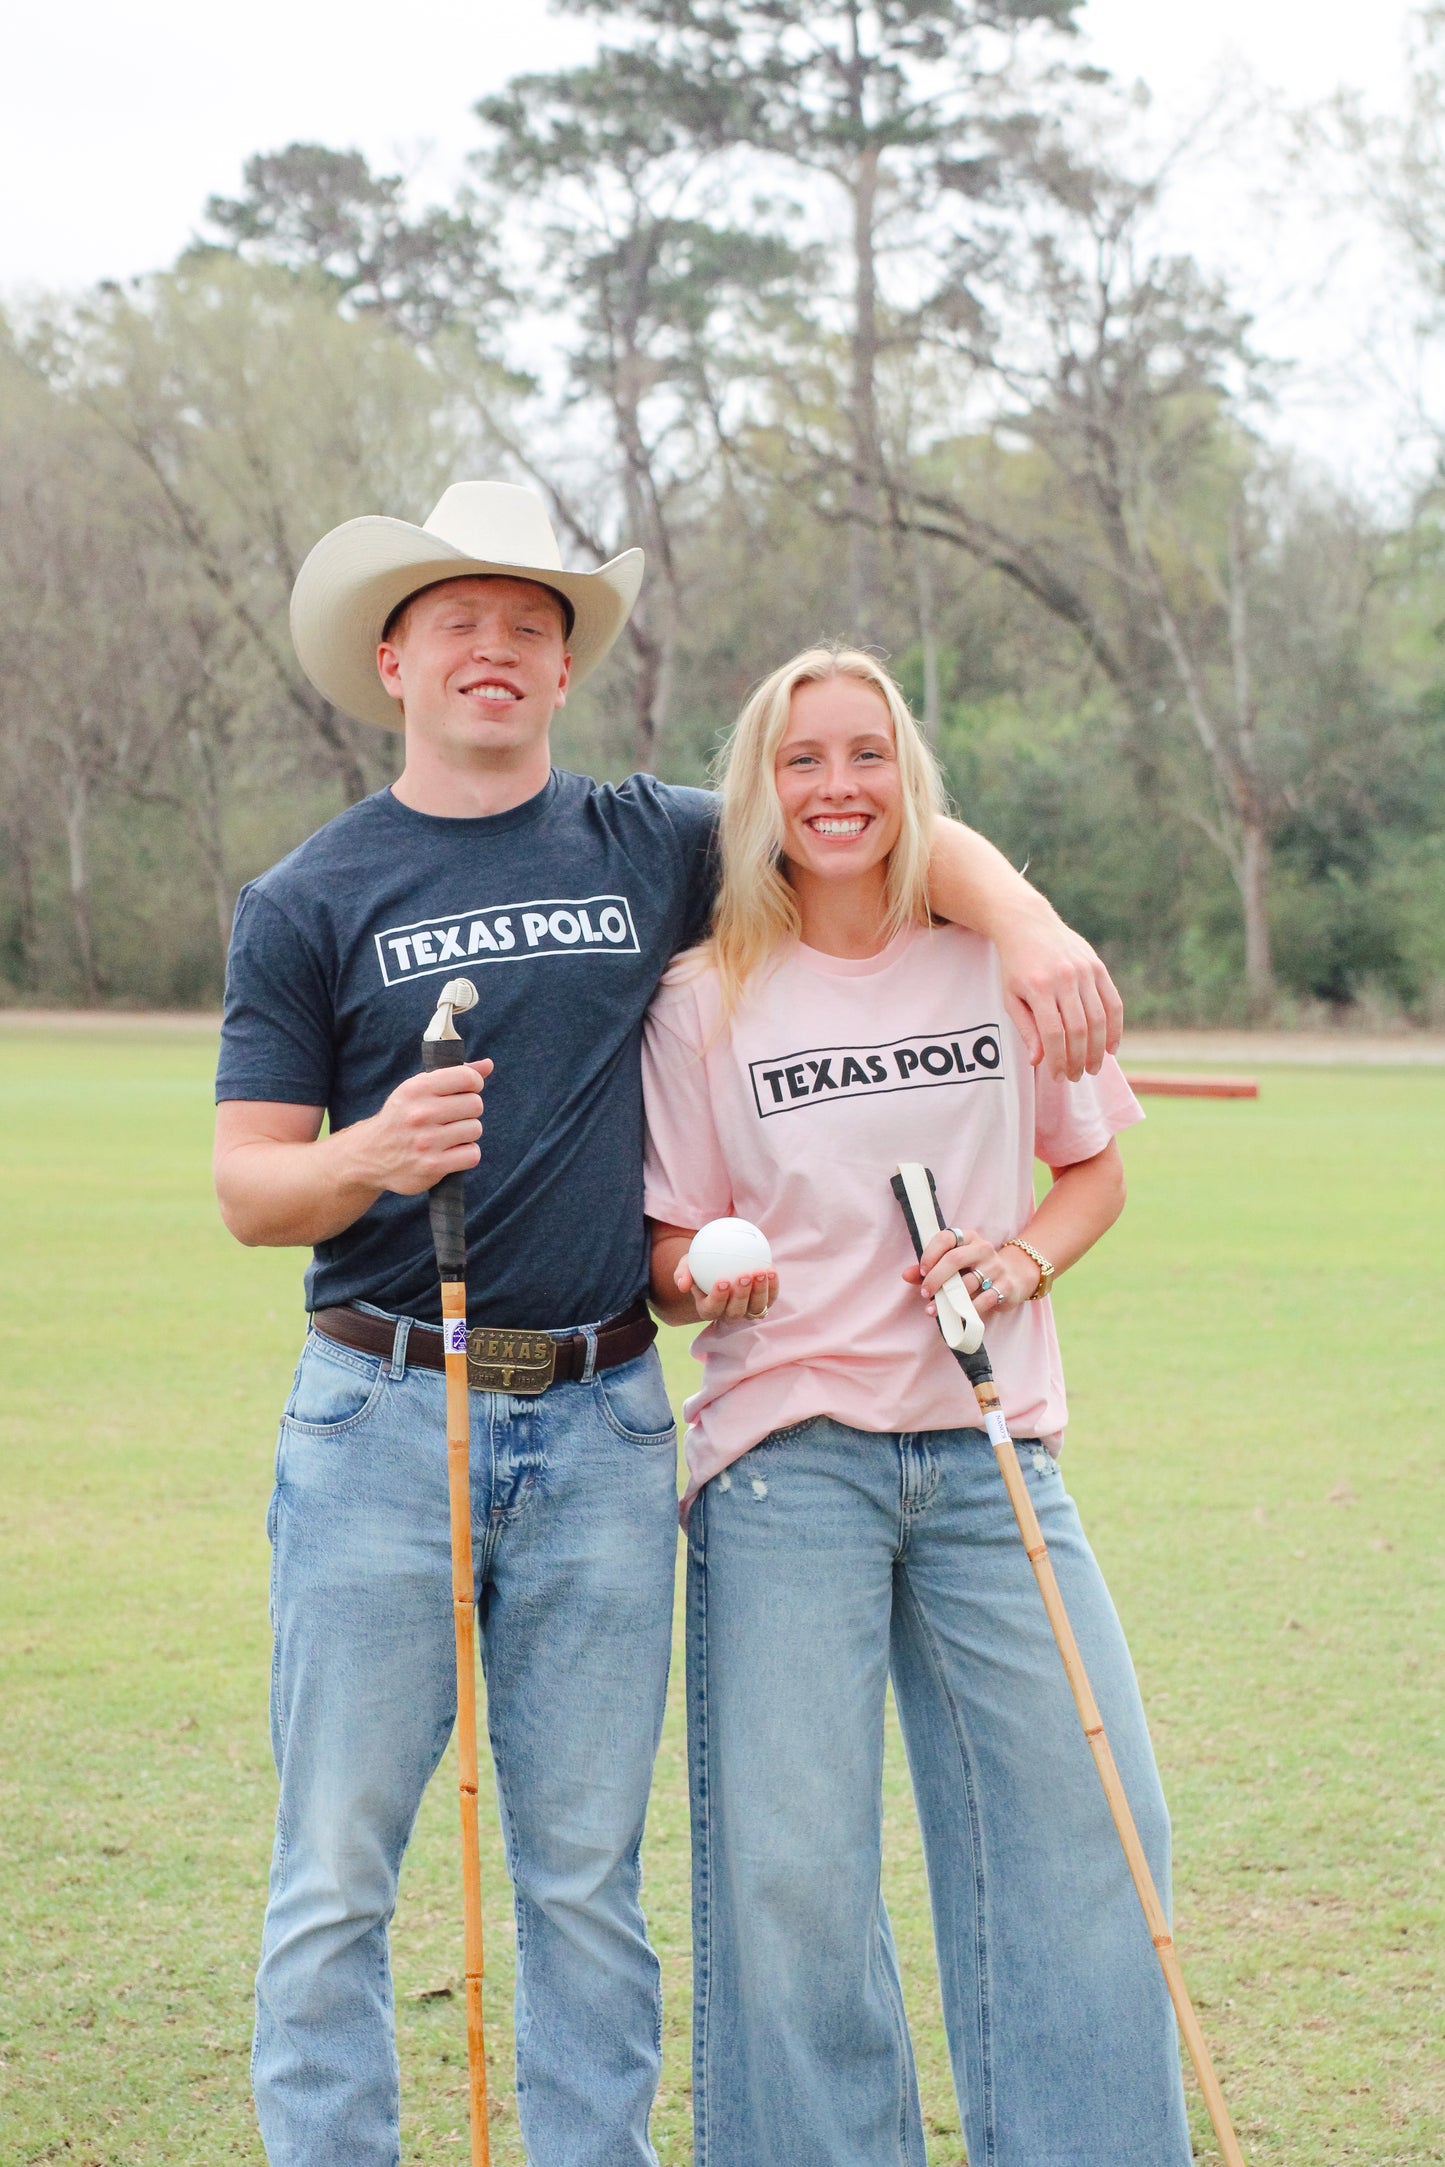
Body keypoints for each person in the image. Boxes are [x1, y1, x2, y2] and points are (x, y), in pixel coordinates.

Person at [213, 480, 1123, 2167]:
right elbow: (249, 1189)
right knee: (338, 1868)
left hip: (609, 1419)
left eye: (530, 628)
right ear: (395, 655)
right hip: (384, 1420)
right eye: (461, 624)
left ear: (564, 672)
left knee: (580, 1874)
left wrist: (1026, 920)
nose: (494, 651)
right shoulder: (306, 896)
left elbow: (870, 812)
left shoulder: (648, 836)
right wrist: (369, 1152)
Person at [642, 646, 1192, 2167]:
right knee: (795, 1877)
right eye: (802, 761)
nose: (836, 789)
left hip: (986, 1453)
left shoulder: (992, 963)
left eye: (865, 756)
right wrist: (708, 1282)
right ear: (759, 789)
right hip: (783, 1466)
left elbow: (1091, 1175)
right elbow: (671, 1243)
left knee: (1095, 1830)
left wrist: (1015, 1259)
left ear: (909, 780)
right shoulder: (704, 999)